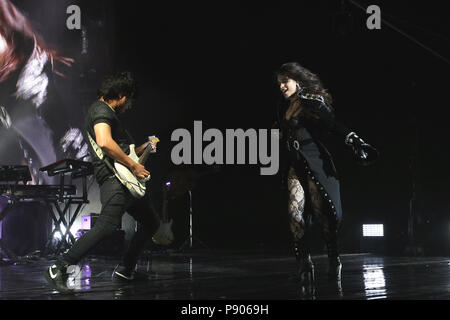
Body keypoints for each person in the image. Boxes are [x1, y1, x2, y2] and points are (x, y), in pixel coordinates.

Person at [44, 71, 168, 293]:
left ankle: (126, 270)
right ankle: (59, 267)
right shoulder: (101, 110)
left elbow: (126, 152)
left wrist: (145, 148)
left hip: (124, 180)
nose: (129, 106)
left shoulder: (108, 114)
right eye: (128, 100)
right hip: (114, 180)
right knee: (106, 225)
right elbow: (104, 142)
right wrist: (133, 166)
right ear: (120, 95)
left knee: (150, 223)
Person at [274, 62, 377, 285]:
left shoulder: (311, 101)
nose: (282, 86)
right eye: (279, 83)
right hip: (295, 164)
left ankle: (334, 260)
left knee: (323, 216)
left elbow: (332, 124)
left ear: (297, 80)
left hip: (314, 161)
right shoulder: (283, 107)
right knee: (294, 213)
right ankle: (303, 263)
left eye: (285, 81)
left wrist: (353, 139)